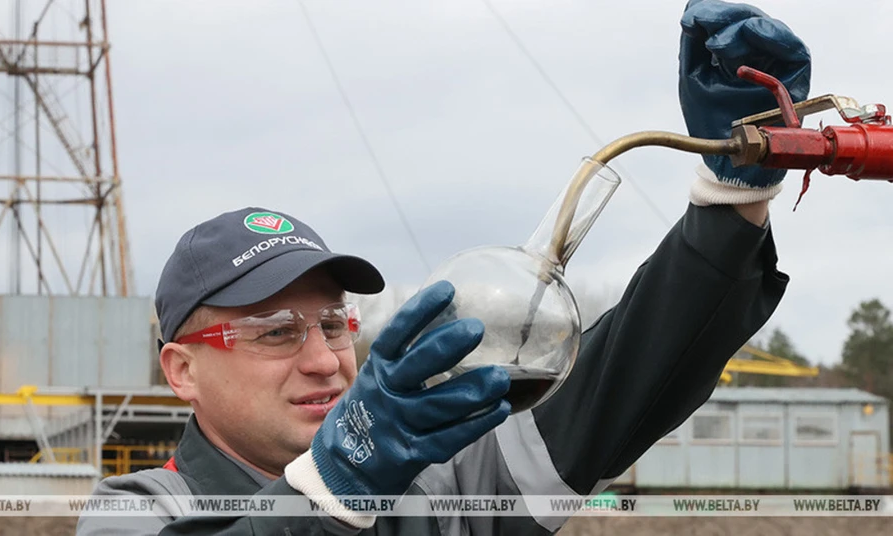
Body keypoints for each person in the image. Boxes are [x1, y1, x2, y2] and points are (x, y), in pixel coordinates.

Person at [76, 0, 811, 534]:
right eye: (274, 332)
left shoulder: (439, 493)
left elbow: (614, 387)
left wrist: (730, 196)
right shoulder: (137, 511)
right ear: (181, 371)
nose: (325, 361)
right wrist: (341, 484)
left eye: (333, 324)